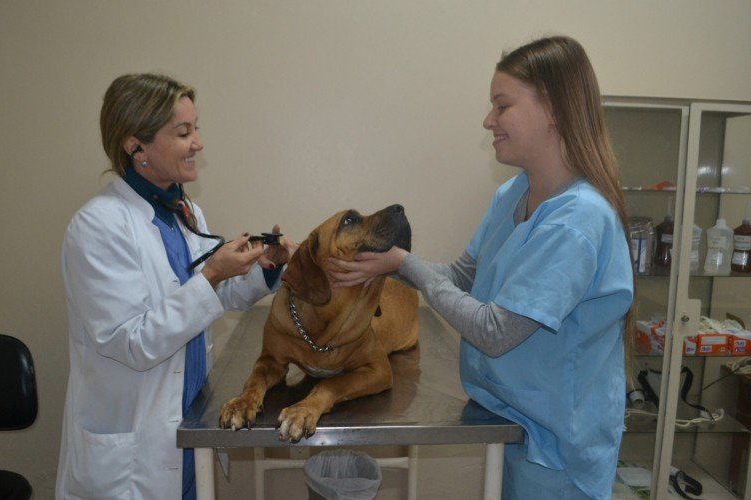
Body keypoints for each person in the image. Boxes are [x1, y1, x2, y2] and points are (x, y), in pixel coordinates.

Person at [329, 36, 634, 499]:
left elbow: (495, 331)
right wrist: (379, 262)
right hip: (511, 419)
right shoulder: (513, 194)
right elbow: (460, 279)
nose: (488, 120)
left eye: (501, 105)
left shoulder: (577, 222)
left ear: (551, 108)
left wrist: (404, 263)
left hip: (558, 446)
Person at [55, 73, 297, 499]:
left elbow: (206, 302)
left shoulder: (184, 213)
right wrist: (212, 274)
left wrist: (263, 270)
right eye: (183, 132)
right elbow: (132, 342)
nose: (198, 142)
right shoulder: (98, 226)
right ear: (137, 148)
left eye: (195, 127)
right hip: (133, 455)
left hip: (186, 433)